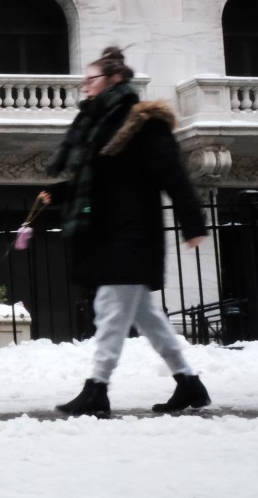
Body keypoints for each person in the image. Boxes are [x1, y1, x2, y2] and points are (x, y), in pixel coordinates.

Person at [40, 46, 210, 417]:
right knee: (146, 317)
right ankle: (189, 383)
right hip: (110, 231)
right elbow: (102, 182)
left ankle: (97, 388)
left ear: (114, 79)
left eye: (91, 80)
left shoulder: (143, 124)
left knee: (110, 310)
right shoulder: (99, 126)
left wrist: (193, 222)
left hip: (133, 234)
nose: (85, 87)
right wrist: (58, 193)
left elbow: (174, 174)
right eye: (84, 80)